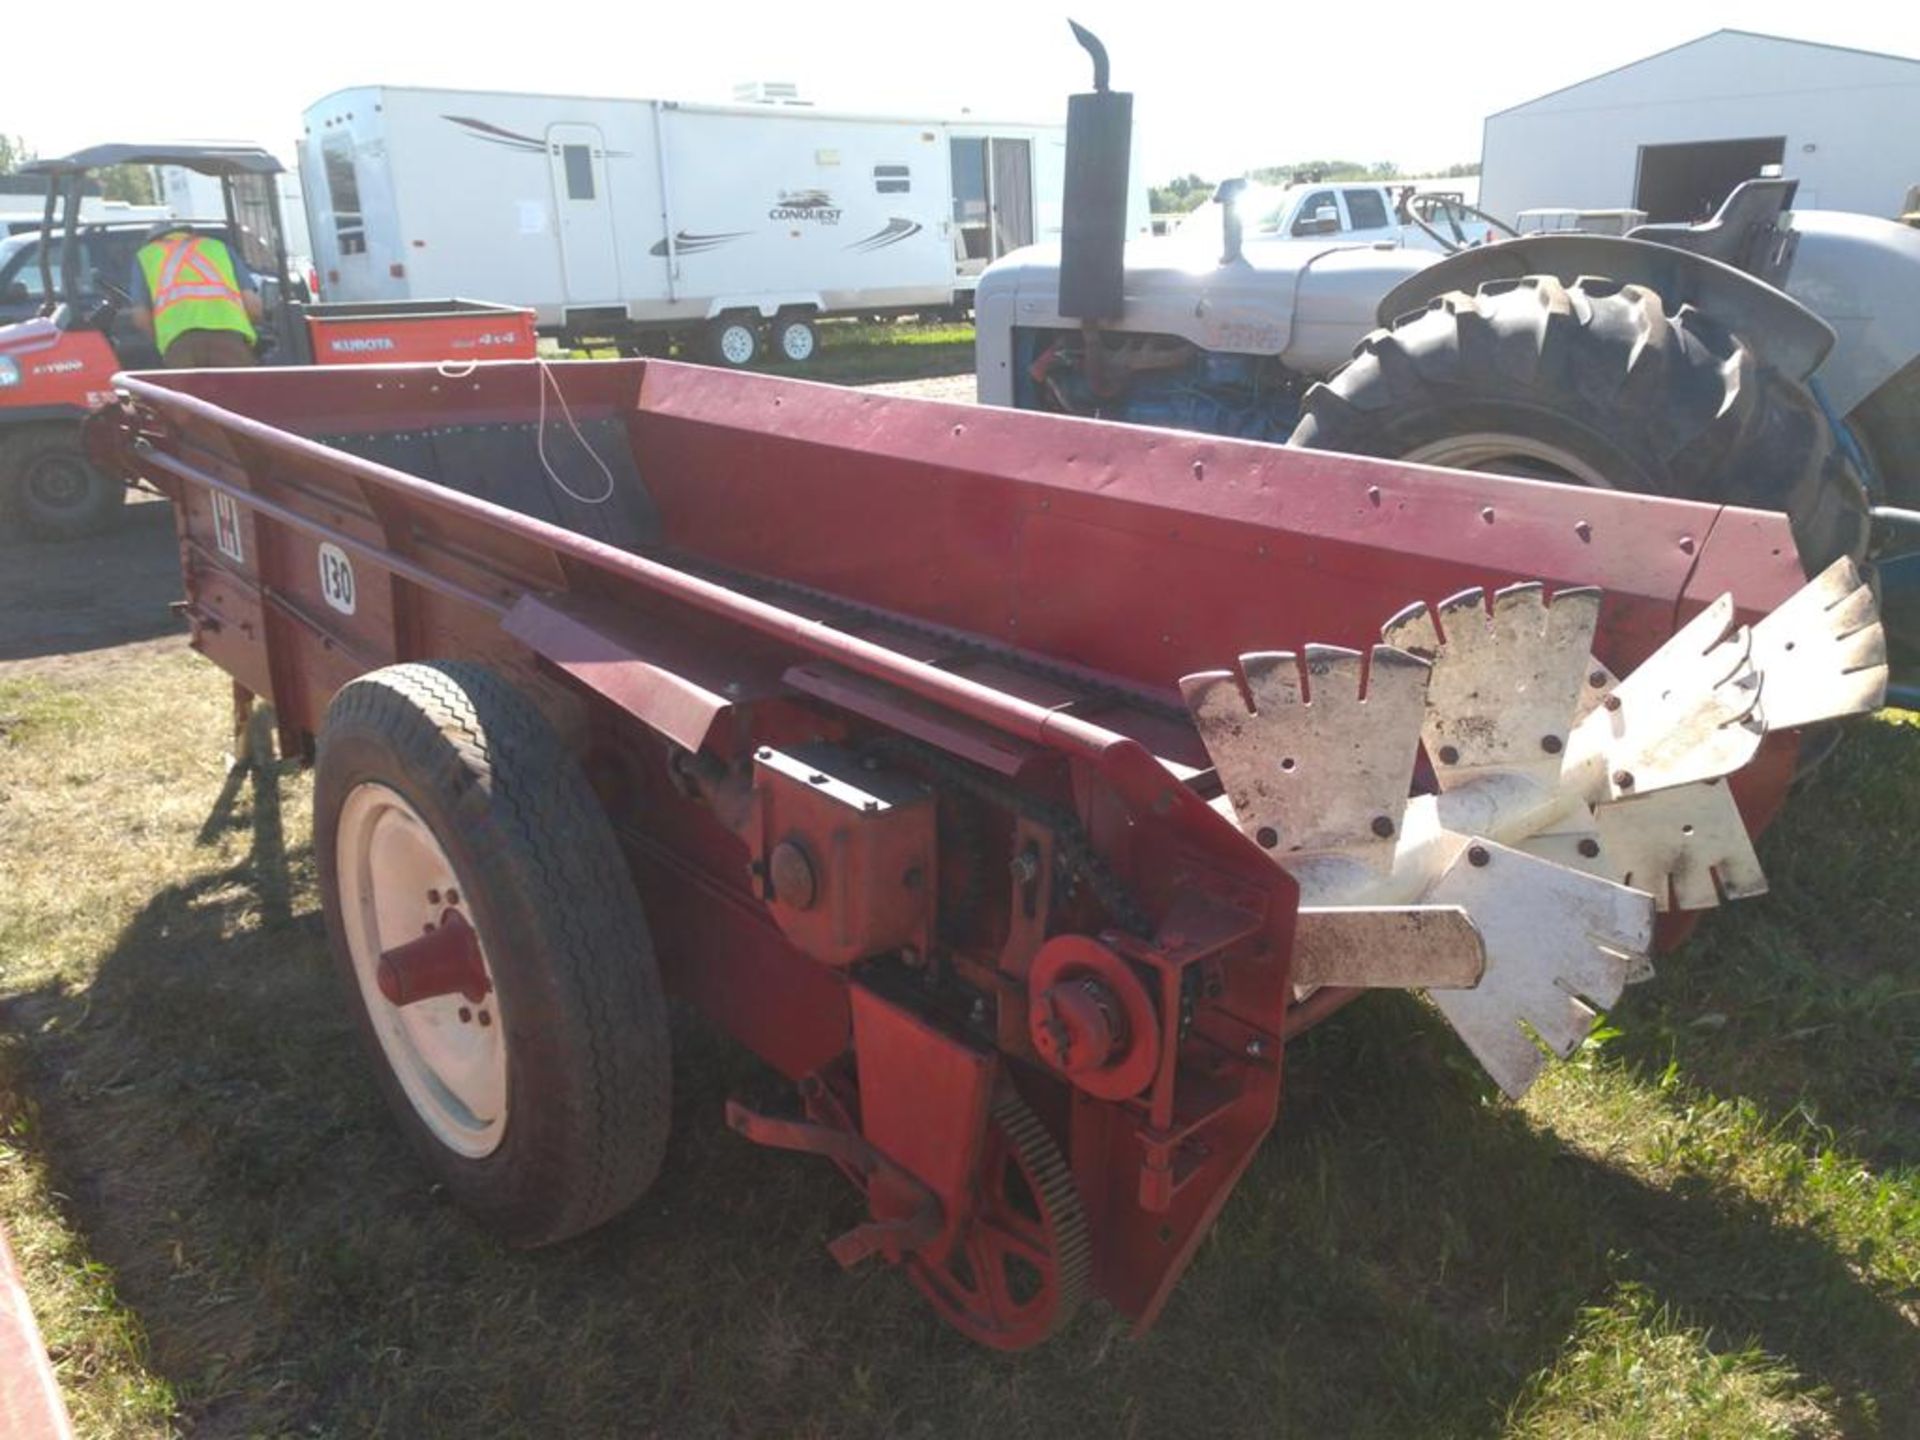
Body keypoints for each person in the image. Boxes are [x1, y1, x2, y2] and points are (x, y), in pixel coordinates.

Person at [128, 225, 263, 368]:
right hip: (230, 341)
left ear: (152, 240)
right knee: (237, 390)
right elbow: (253, 306)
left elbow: (141, 318)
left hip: (180, 346)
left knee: (184, 391)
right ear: (190, 234)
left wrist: (165, 340)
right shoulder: (218, 248)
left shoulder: (146, 256)